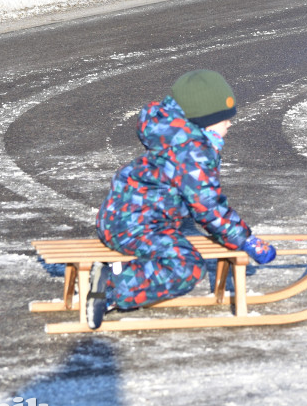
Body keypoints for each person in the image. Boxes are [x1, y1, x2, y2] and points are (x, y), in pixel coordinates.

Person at [86, 70, 276, 329]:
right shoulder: (191, 152)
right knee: (186, 266)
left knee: (180, 249)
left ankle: (113, 280)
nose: (229, 124)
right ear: (206, 121)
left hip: (123, 219)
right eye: (224, 119)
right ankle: (109, 288)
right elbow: (207, 207)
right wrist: (244, 239)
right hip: (135, 226)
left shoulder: (178, 140)